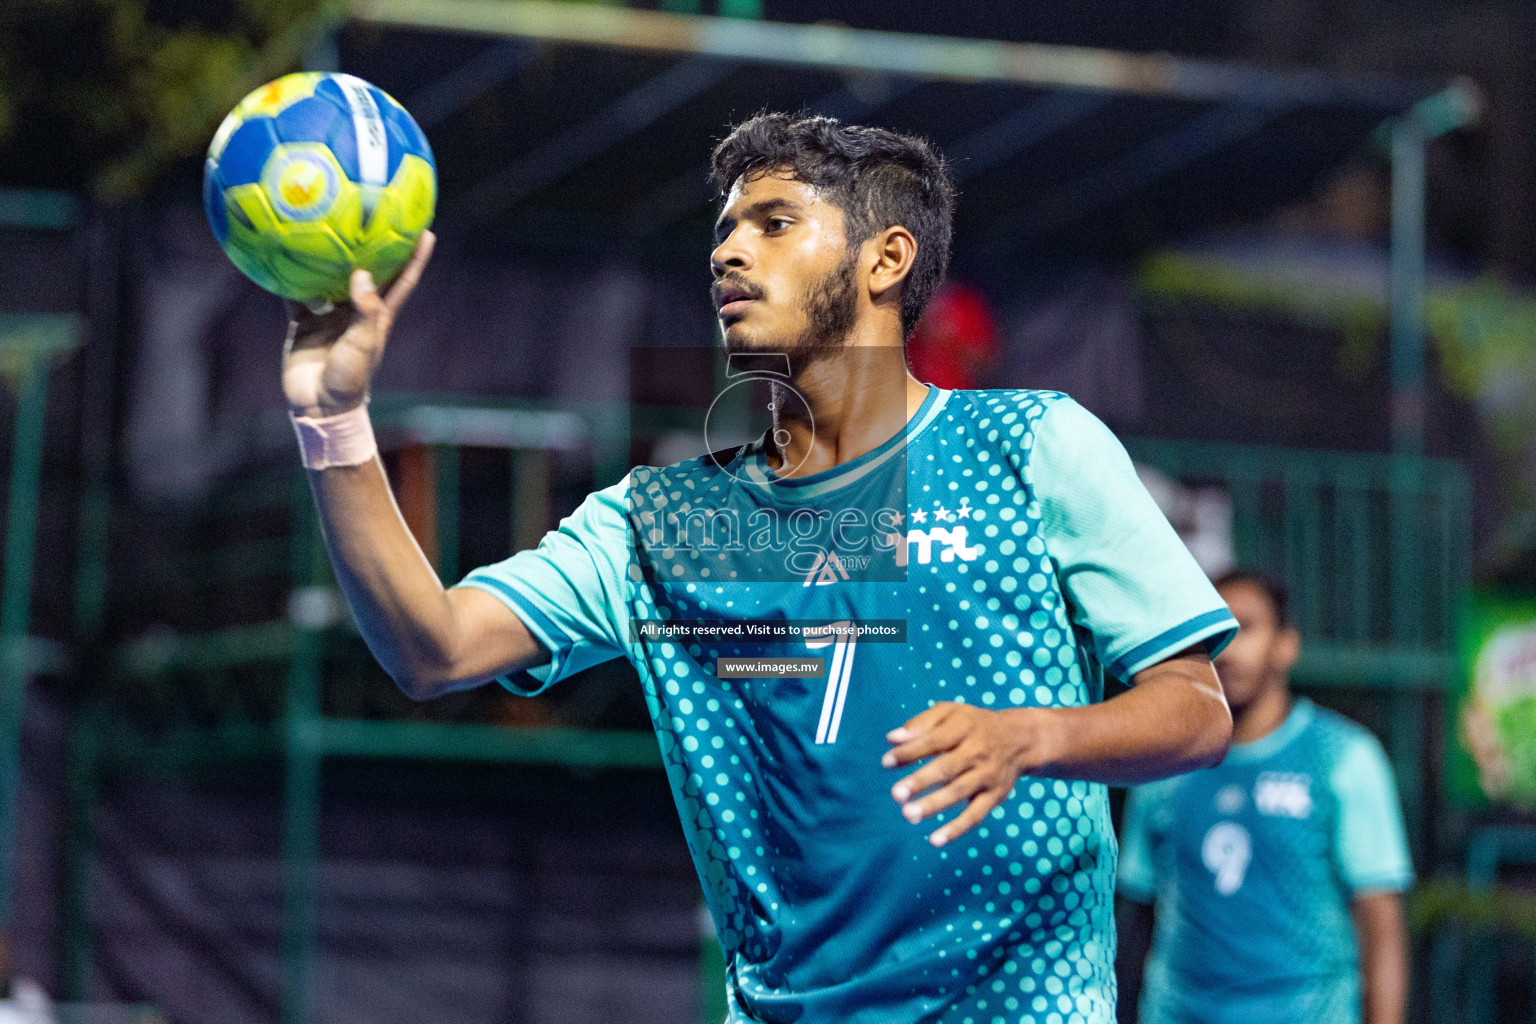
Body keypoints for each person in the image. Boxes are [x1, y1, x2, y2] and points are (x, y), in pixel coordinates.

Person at [282, 112, 1238, 1023]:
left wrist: (1033, 738)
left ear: (885, 258)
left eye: (774, 223)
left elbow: (1195, 709)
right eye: (726, 229)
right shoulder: (661, 524)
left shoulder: (1033, 445)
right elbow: (432, 647)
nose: (728, 252)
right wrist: (332, 419)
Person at [1115, 570, 1413, 1024]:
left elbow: (1381, 923)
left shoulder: (1344, 757)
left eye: (1245, 629)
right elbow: (1133, 918)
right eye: (1213, 636)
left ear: (1286, 645)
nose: (1227, 652)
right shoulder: (1163, 766)